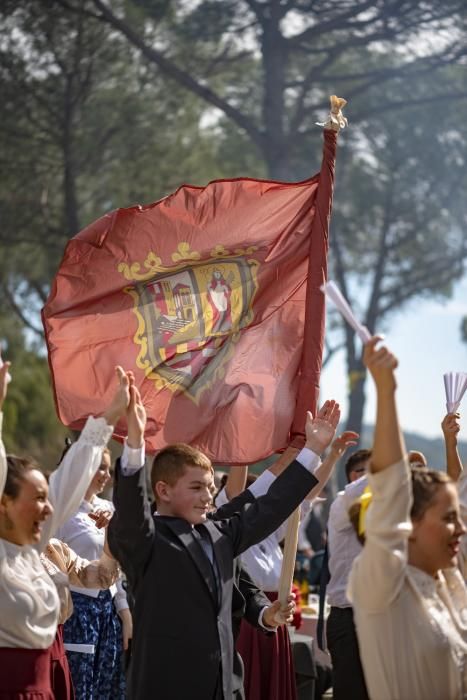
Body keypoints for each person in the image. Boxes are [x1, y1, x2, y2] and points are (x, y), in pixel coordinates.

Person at [108, 377, 339, 700]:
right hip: (167, 687)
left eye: (209, 487)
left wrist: (313, 450)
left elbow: (270, 507)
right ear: (163, 490)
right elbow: (131, 515)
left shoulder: (220, 532)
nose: (208, 496)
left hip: (225, 687)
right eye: (196, 488)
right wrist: (134, 445)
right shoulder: (147, 541)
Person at [0, 362, 130, 699]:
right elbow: (67, 484)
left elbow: (100, 578)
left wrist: (110, 417)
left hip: (51, 685)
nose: (48, 507)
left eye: (48, 498)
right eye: (38, 498)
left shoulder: (43, 551)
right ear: (4, 503)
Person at [348, 336, 467, 700]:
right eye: (448, 518)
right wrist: (387, 390)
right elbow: (389, 491)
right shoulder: (382, 587)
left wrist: (450, 442)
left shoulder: (447, 583)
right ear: (408, 523)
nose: (461, 528)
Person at [215, 424, 356, 700]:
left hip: (272, 618)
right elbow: (241, 491)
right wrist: (249, 445)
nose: (264, 509)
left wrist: (331, 455)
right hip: (248, 618)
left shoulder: (272, 533)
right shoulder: (225, 525)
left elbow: (306, 494)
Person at [56, 449, 132, 700]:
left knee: (106, 687)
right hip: (76, 611)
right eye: (100, 467)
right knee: (78, 688)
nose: (106, 475)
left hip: (107, 612)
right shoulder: (60, 510)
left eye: (108, 469)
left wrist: (125, 614)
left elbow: (117, 569)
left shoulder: (108, 507)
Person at [41, 536, 121, 699]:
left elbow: (101, 577)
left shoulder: (54, 549)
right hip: (17, 655)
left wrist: (111, 534)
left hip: (55, 650)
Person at [325, 449, 372, 700]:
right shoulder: (342, 502)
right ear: (353, 477)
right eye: (366, 472)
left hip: (378, 616)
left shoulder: (385, 513)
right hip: (349, 618)